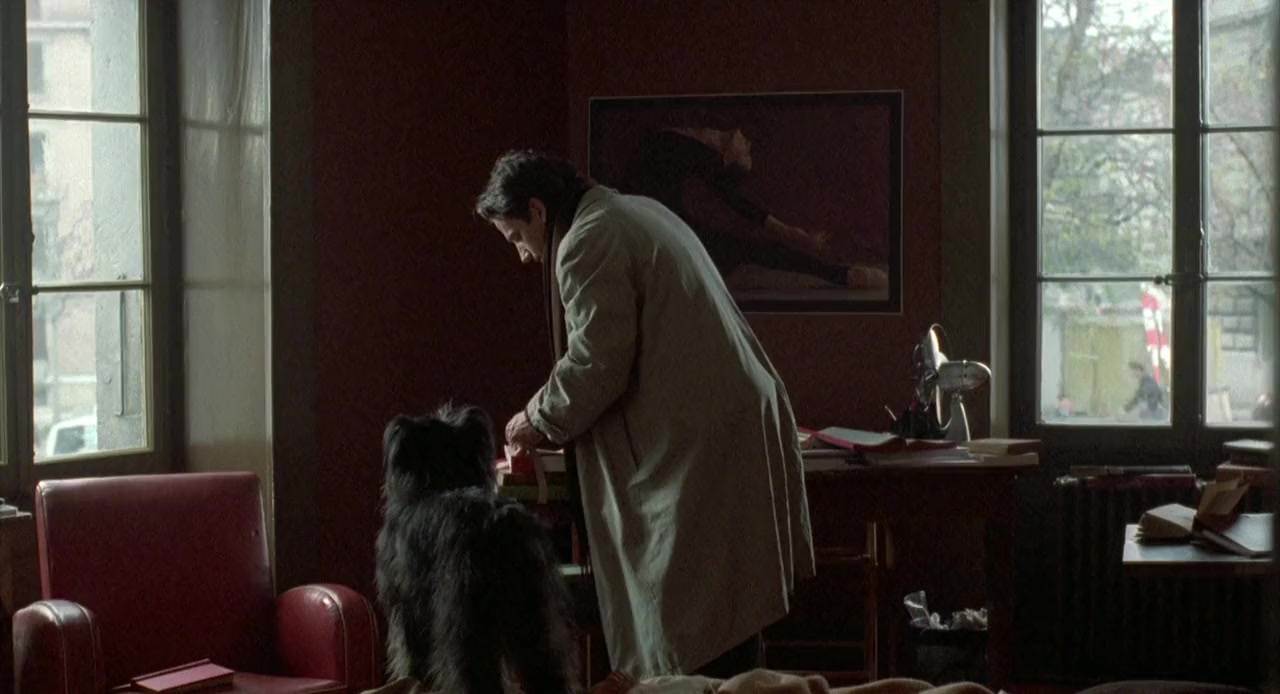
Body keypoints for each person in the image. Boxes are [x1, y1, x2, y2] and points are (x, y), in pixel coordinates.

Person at [475, 150, 815, 680]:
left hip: (701, 441)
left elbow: (597, 364)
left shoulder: (587, 240)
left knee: (698, 625)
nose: (522, 255)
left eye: (517, 237)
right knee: (727, 614)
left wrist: (534, 418)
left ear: (537, 211)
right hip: (726, 425)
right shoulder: (636, 210)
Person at [624, 126, 888, 290]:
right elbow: (738, 204)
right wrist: (792, 233)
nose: (747, 143)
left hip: (659, 236)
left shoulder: (690, 148)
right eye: (747, 153)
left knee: (752, 250)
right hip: (657, 240)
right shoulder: (689, 146)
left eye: (747, 151)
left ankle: (842, 275)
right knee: (755, 250)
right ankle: (842, 275)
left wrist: (792, 233)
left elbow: (736, 203)